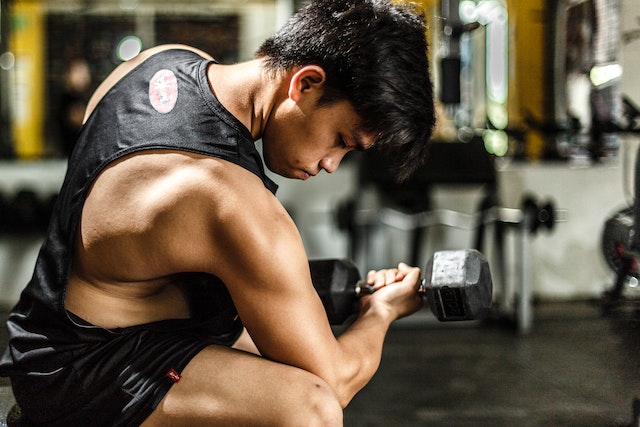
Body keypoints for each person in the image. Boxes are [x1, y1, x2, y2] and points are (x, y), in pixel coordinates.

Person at [0, 0, 435, 425]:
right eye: (341, 140)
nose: (331, 163)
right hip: (79, 372)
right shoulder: (230, 201)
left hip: (44, 331)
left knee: (274, 349)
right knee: (310, 407)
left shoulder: (159, 62)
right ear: (305, 83)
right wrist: (380, 311)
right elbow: (337, 380)